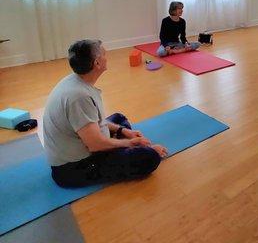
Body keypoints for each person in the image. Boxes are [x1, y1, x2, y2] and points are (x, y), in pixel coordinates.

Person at [43, 39, 168, 188]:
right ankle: (127, 149)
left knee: (119, 119)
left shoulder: (75, 80)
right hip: (73, 169)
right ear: (97, 63)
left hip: (82, 142)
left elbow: (95, 121)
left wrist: (124, 130)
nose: (107, 57)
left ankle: (119, 143)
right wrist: (133, 144)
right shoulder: (79, 97)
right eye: (104, 54)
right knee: (150, 158)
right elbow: (95, 145)